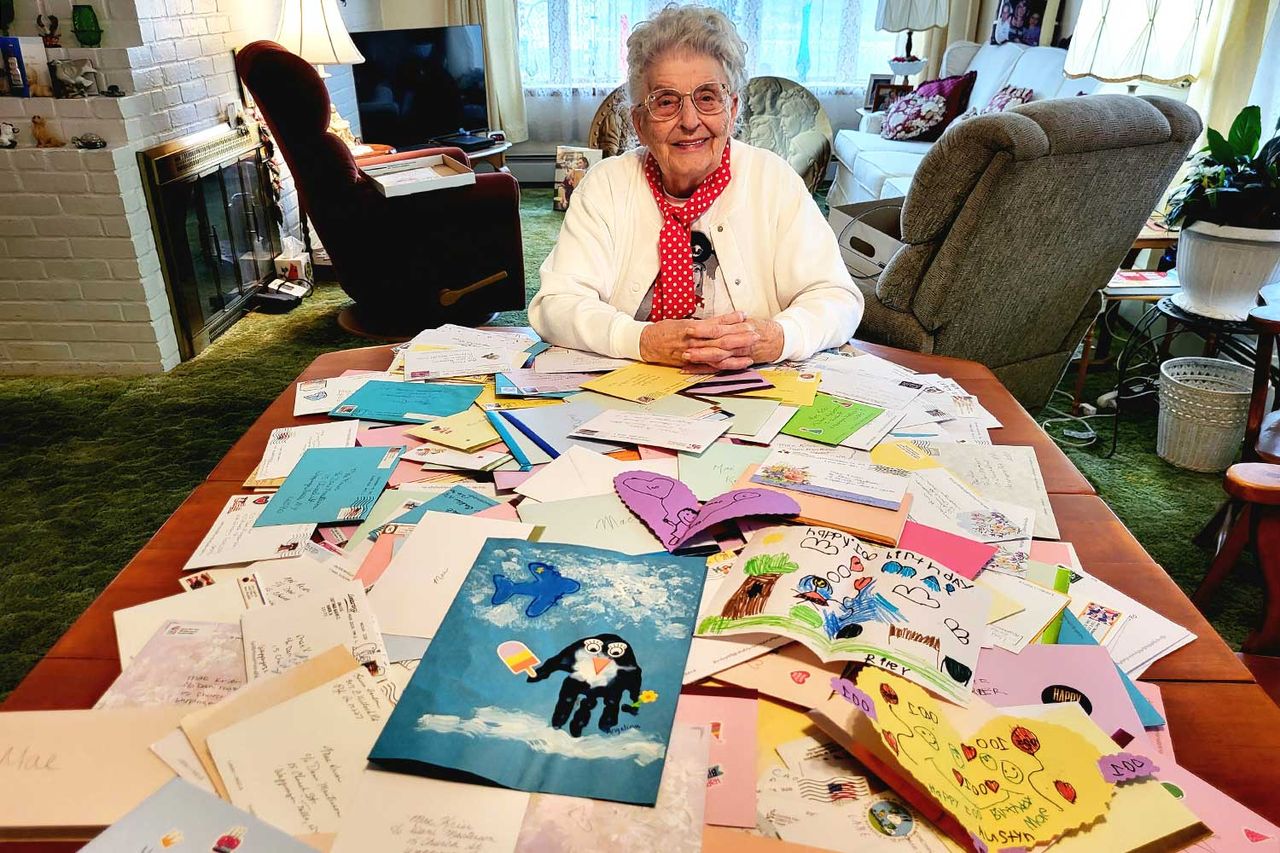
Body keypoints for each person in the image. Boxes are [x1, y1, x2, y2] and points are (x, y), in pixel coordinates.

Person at [530, 5, 861, 371]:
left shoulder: (774, 180)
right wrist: (641, 340)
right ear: (639, 123)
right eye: (667, 102)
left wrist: (778, 336)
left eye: (707, 97)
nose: (690, 122)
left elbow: (837, 298)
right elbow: (555, 304)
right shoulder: (605, 185)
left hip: (757, 389)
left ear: (732, 109)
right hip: (629, 392)